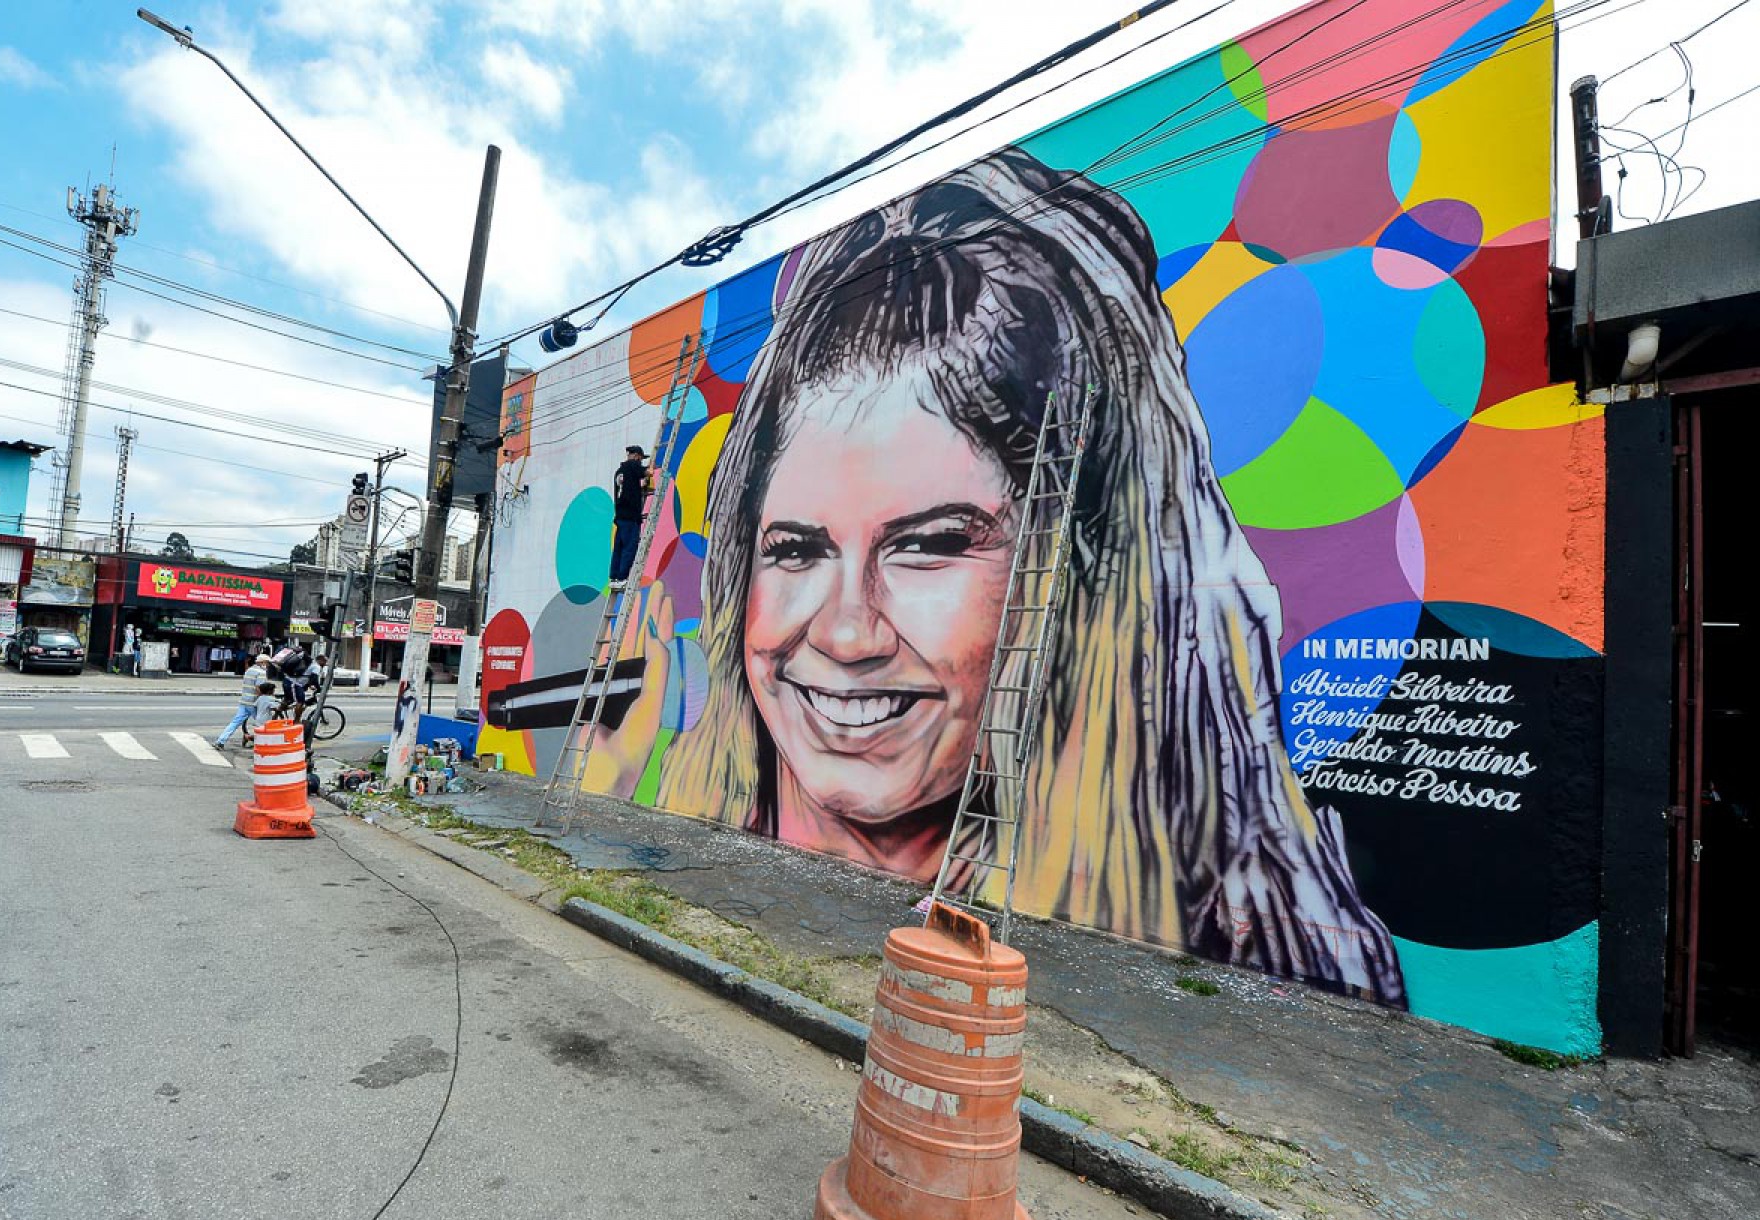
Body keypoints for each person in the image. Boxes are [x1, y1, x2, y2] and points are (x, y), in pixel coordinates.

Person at [595, 148, 1405, 1005]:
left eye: (931, 545)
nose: (846, 631)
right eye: (795, 550)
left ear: (1085, 567)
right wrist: (609, 787)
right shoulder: (679, 788)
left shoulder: (1280, 954)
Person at [609, 444, 651, 585]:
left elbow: (628, 488)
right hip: (631, 517)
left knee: (619, 549)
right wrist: (651, 468)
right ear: (637, 456)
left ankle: (614, 578)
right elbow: (648, 472)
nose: (641, 461)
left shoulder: (619, 472)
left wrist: (641, 486)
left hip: (620, 516)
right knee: (629, 548)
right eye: (641, 459)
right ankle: (622, 577)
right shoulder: (633, 465)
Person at [215, 653, 272, 750]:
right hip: (253, 702)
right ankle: (265, 743)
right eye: (267, 663)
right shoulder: (261, 673)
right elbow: (259, 688)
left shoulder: (249, 670)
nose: (268, 665)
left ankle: (220, 741)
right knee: (264, 723)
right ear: (262, 662)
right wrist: (264, 699)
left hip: (244, 700)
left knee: (235, 722)